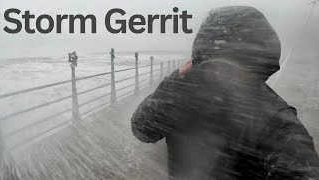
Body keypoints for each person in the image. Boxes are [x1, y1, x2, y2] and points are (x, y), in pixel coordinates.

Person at [131, 6, 319, 180]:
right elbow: (143, 129)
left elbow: (303, 171)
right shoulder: (183, 93)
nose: (221, 76)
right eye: (213, 66)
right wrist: (175, 82)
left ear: (255, 68)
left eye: (231, 68)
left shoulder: (275, 118)